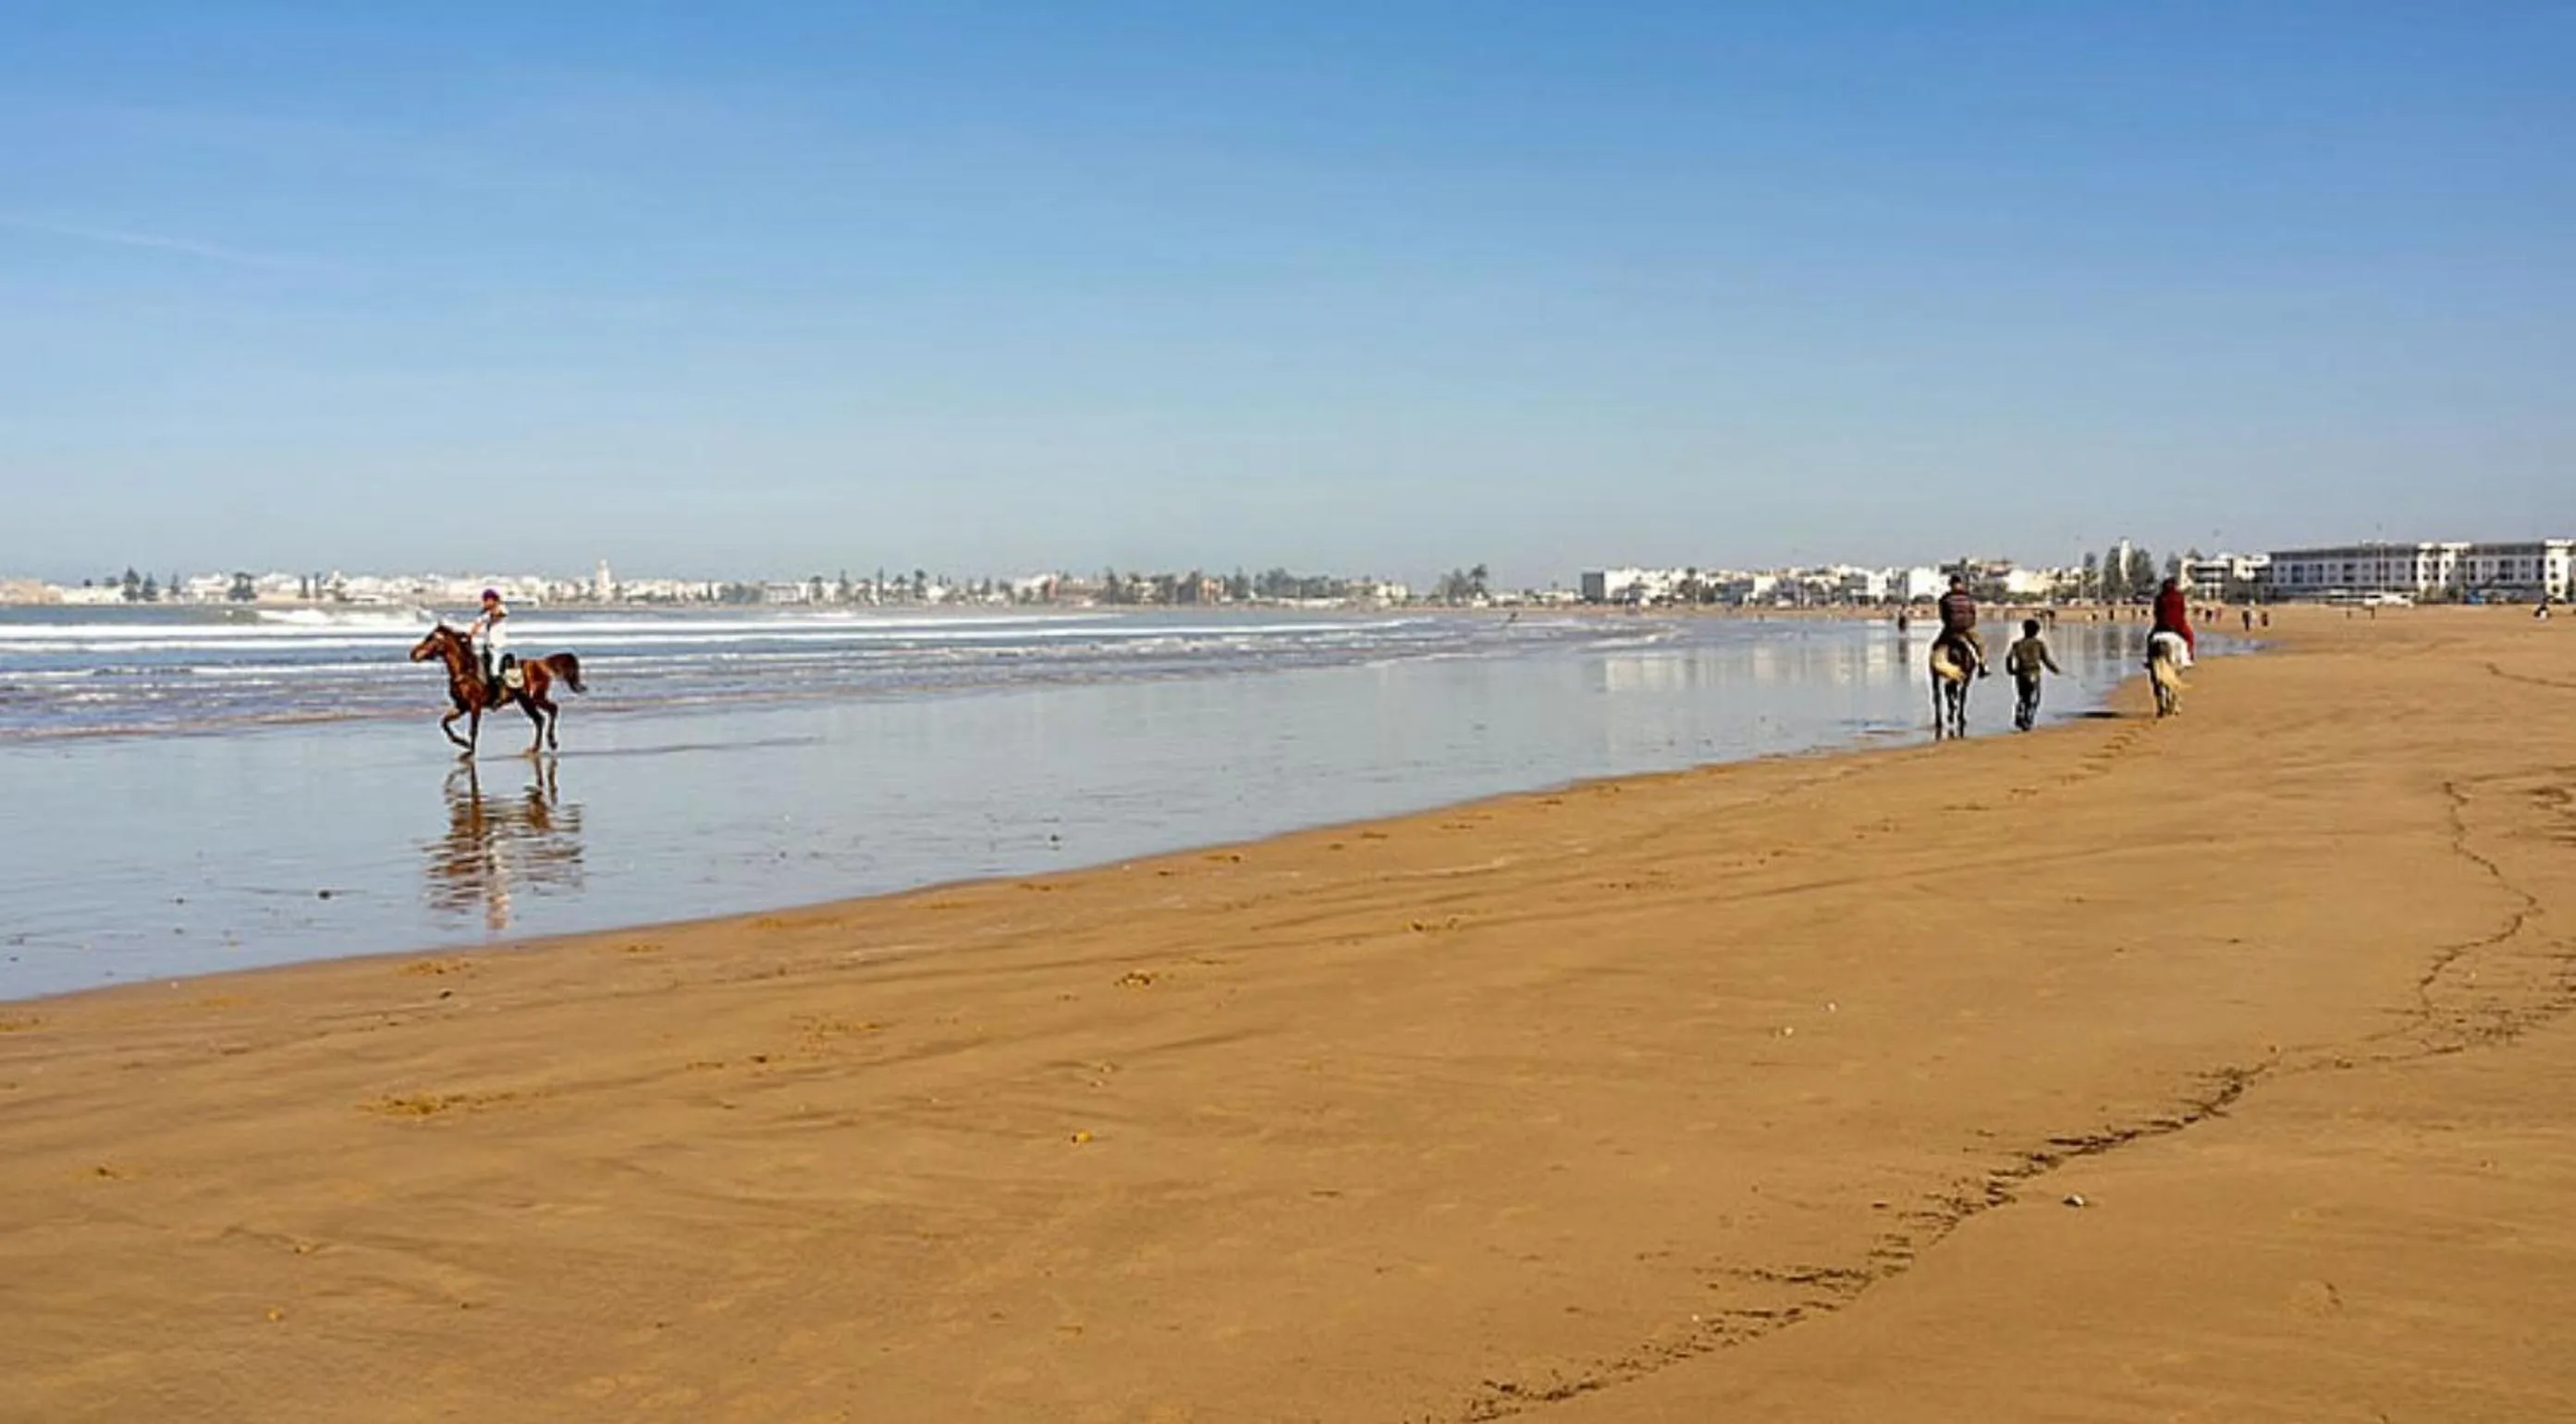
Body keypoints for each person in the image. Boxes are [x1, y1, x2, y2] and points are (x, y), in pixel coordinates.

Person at [2004, 618, 2062, 731]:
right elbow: (2046, 660)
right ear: (2037, 631)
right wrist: (2055, 670)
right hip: (2034, 673)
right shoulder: (2039, 644)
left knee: (2022, 696)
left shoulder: (2017, 644)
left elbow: (2009, 657)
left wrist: (2010, 670)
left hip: (2020, 674)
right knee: (2034, 699)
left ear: (2024, 630)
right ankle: (2028, 721)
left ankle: (2020, 714)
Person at [1935, 575, 1989, 677]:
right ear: (1961, 584)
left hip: (1951, 628)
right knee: (1981, 645)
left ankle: (1935, 674)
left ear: (1950, 585)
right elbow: (1973, 613)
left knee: (1936, 647)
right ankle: (1983, 666)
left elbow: (1943, 615)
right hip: (1968, 628)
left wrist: (1948, 624)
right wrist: (1971, 624)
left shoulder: (1945, 598)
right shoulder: (1969, 597)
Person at [468, 587, 514, 689]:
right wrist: (469, 636)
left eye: (487, 600)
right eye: (484, 600)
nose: (484, 602)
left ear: (493, 600)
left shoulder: (502, 608)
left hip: (499, 644)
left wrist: (490, 610)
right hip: (487, 644)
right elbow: (476, 626)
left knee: (495, 669)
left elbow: (497, 615)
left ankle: (500, 690)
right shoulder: (484, 613)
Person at [2151, 577, 2195, 661]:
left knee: (2149, 638)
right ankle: (2190, 655)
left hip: (2161, 626)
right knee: (2190, 636)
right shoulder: (2179, 596)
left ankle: (2149, 658)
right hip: (2178, 625)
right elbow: (2182, 611)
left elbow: (2156, 612)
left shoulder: (2159, 597)